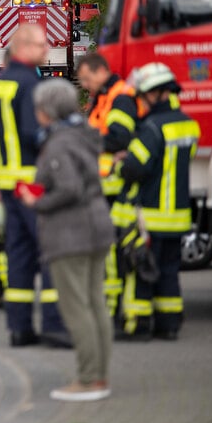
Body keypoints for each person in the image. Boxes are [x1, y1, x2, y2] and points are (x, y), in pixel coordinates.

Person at [0, 24, 70, 348]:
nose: (46, 50)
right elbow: (37, 135)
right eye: (42, 45)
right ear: (24, 48)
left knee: (18, 256)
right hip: (32, 185)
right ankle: (53, 325)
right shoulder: (33, 85)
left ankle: (19, 329)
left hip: (5, 187)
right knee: (50, 253)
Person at [19, 79, 114, 402]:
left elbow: (68, 188)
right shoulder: (83, 134)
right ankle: (99, 376)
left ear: (47, 111)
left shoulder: (58, 143)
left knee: (77, 308)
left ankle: (88, 380)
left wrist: (36, 202)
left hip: (72, 233)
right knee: (95, 303)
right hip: (97, 225)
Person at [113, 63, 199, 342]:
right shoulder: (188, 125)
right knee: (169, 272)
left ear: (155, 93)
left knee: (142, 270)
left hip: (150, 216)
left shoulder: (151, 128)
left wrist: (119, 164)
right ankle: (169, 324)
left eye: (143, 95)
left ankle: (137, 326)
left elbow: (135, 168)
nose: (141, 100)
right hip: (178, 215)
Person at [76, 52, 141, 319]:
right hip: (102, 186)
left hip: (115, 187)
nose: (85, 85)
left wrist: (85, 138)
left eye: (86, 79)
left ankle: (115, 311)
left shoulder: (120, 97)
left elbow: (119, 138)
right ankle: (109, 307)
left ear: (99, 71)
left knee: (114, 252)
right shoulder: (103, 96)